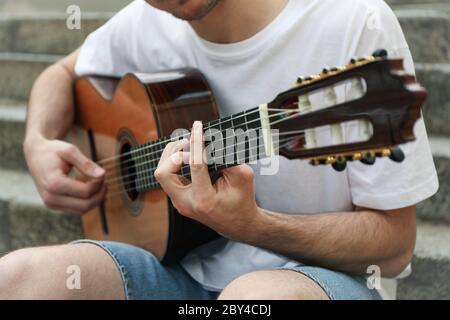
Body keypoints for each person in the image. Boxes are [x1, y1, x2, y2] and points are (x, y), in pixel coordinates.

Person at [0, 0, 439, 300]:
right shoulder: (147, 20)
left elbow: (395, 245)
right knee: (17, 279)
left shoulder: (350, 21)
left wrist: (255, 226)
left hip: (313, 284)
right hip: (178, 274)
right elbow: (59, 73)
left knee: (249, 301)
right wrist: (37, 140)